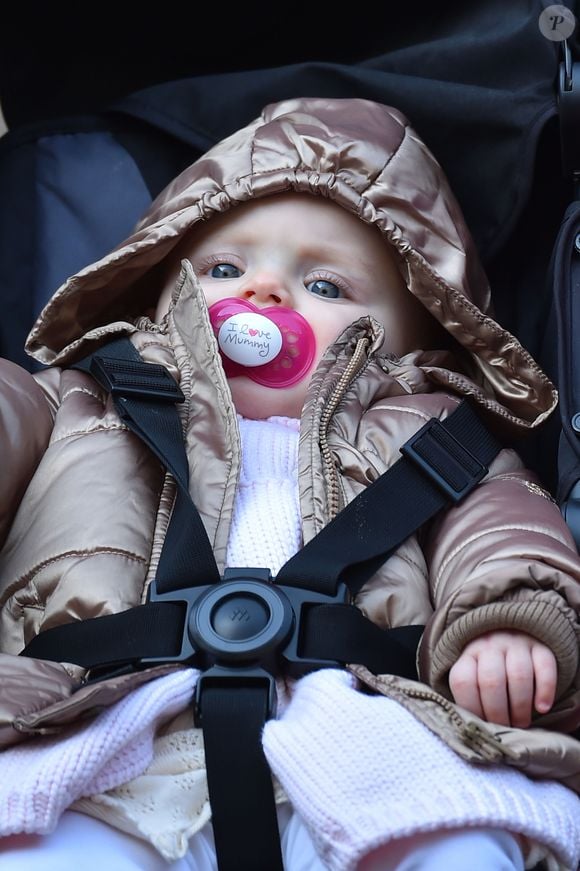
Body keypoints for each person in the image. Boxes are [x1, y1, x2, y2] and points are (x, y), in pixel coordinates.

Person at [0, 97, 578, 870]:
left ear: (419, 337)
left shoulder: (437, 436)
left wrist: (510, 618)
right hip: (100, 720)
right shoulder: (76, 396)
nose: (265, 291)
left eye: (328, 285)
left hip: (365, 727)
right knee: (44, 843)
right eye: (225, 269)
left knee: (459, 839)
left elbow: (504, 529)